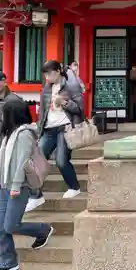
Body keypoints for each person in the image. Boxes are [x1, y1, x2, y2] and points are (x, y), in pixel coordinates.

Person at [0, 99, 54, 270]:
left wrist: (15, 186)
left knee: (10, 225)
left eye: (4, 113)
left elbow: (22, 162)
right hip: (3, 186)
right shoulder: (9, 133)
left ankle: (43, 230)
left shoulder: (24, 134)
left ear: (11, 114)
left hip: (18, 186)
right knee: (1, 228)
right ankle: (8, 263)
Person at [25, 60, 84, 213]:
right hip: (48, 128)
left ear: (58, 71)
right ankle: (36, 195)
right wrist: (39, 130)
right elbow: (42, 112)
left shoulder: (71, 85)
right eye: (45, 74)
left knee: (61, 160)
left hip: (65, 127)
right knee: (36, 162)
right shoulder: (46, 88)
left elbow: (79, 109)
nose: (47, 77)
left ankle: (74, 187)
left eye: (49, 73)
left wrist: (64, 102)